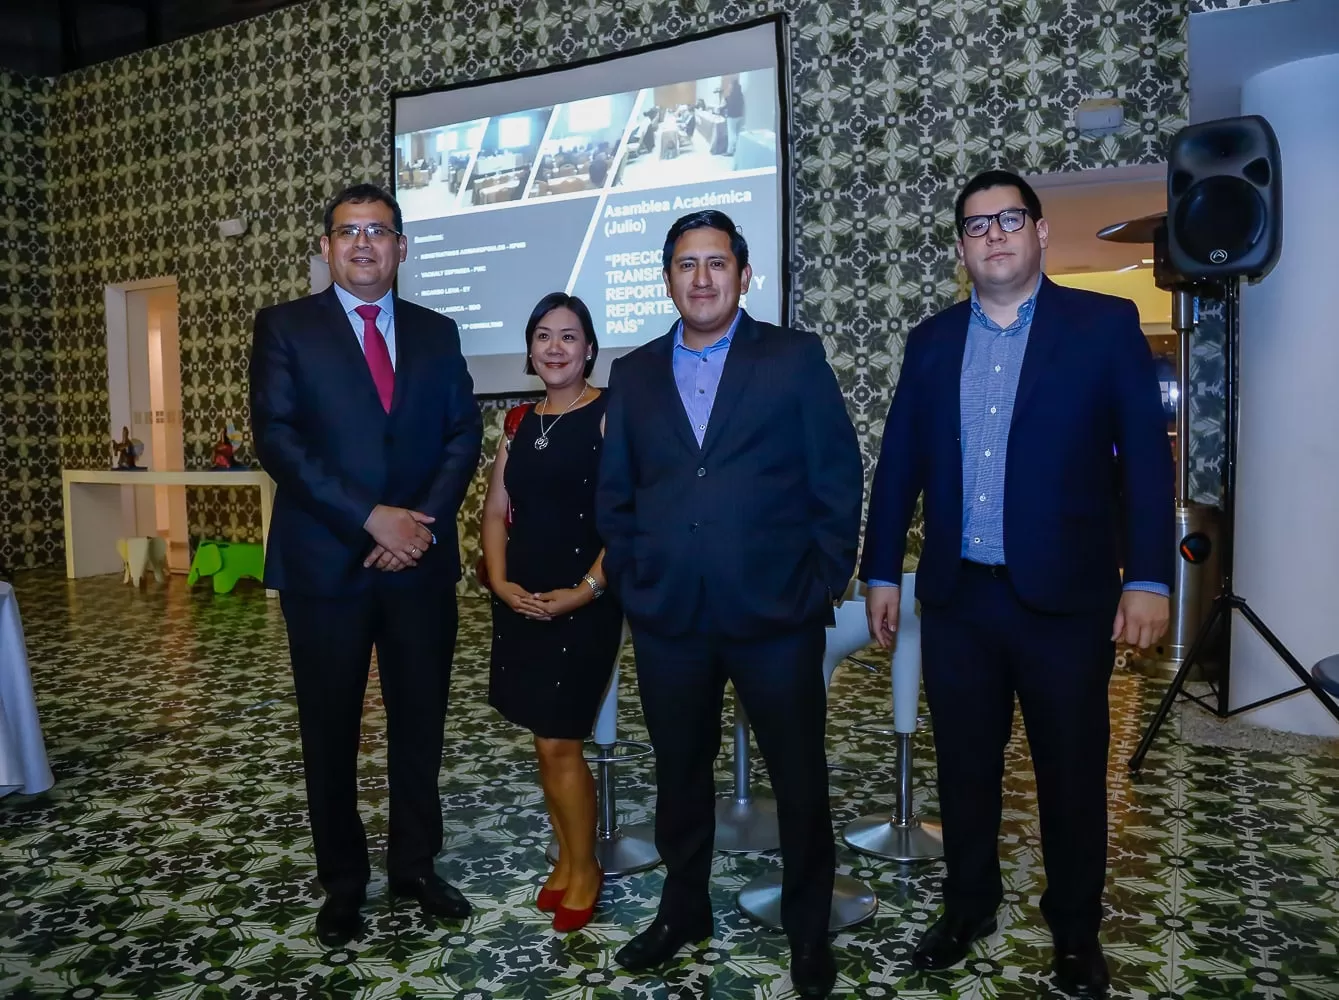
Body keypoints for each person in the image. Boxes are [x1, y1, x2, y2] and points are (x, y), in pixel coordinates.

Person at [859, 170, 1173, 995]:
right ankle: (967, 906)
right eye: (975, 225)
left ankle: (1073, 931)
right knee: (964, 769)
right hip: (958, 598)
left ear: (1039, 232)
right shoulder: (931, 341)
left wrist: (1148, 576)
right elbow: (898, 463)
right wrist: (880, 569)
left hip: (1066, 601)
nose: (992, 234)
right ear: (960, 248)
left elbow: (1145, 462)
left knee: (1070, 773)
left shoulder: (1103, 325)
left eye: (1008, 219)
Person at [596, 211, 863, 998]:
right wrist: (635, 580)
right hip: (669, 617)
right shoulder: (634, 373)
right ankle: (683, 911)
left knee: (798, 777)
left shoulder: (791, 357)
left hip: (776, 613)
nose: (701, 278)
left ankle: (808, 928)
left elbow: (835, 474)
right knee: (679, 774)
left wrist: (822, 580)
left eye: (716, 263)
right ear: (667, 279)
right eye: (686, 264)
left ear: (744, 275)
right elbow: (616, 492)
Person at [249, 182, 483, 947]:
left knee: (420, 724)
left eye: (378, 231)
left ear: (401, 247)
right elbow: (278, 439)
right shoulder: (285, 327)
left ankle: (415, 865)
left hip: (419, 563)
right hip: (325, 565)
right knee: (329, 731)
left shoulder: (438, 332)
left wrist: (416, 526)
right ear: (325, 247)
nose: (362, 244)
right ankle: (343, 884)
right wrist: (368, 517)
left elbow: (461, 436)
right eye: (348, 231)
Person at [481, 292, 622, 934]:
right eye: (543, 335)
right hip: (522, 600)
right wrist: (499, 581)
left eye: (569, 336)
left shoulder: (610, 415)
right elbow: (495, 511)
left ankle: (585, 867)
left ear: (589, 349)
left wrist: (586, 590)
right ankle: (566, 858)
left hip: (584, 602)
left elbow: (628, 519)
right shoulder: (518, 422)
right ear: (530, 349)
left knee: (561, 741)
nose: (555, 347)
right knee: (544, 743)